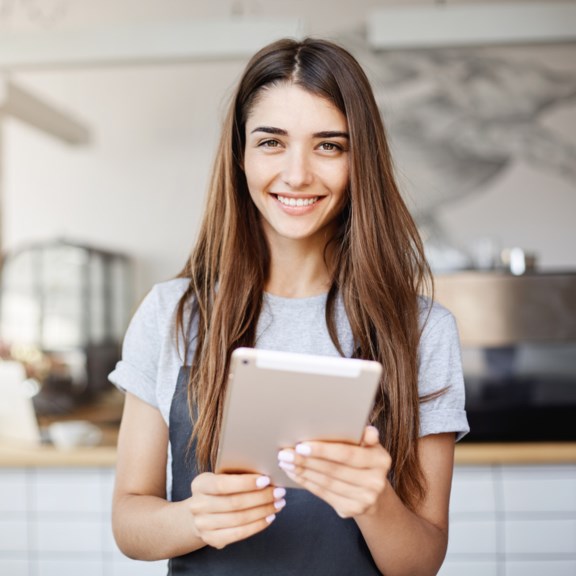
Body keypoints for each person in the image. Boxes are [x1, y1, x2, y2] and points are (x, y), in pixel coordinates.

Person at [109, 37, 469, 576]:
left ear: (359, 159)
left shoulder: (422, 330)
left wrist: (375, 503)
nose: (297, 174)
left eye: (329, 145)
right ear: (240, 155)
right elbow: (129, 524)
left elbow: (419, 564)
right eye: (272, 142)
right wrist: (195, 520)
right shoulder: (172, 313)